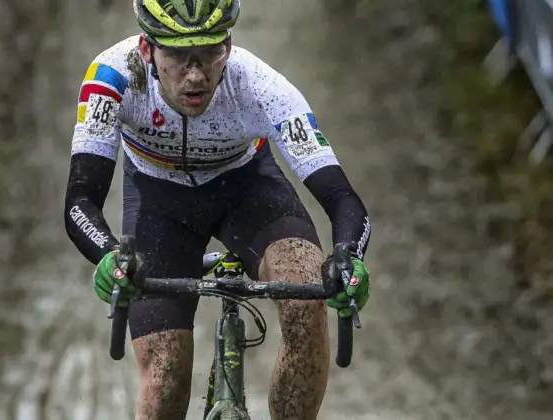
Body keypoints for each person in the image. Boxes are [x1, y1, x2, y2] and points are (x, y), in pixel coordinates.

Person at [64, 1, 372, 418]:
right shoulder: (113, 77)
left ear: (228, 44)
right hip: (159, 205)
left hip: (247, 193)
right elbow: (81, 199)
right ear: (145, 48)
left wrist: (348, 256)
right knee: (165, 373)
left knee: (306, 300)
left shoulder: (260, 85)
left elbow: (341, 197)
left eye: (209, 53)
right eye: (176, 55)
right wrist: (108, 255)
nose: (195, 74)